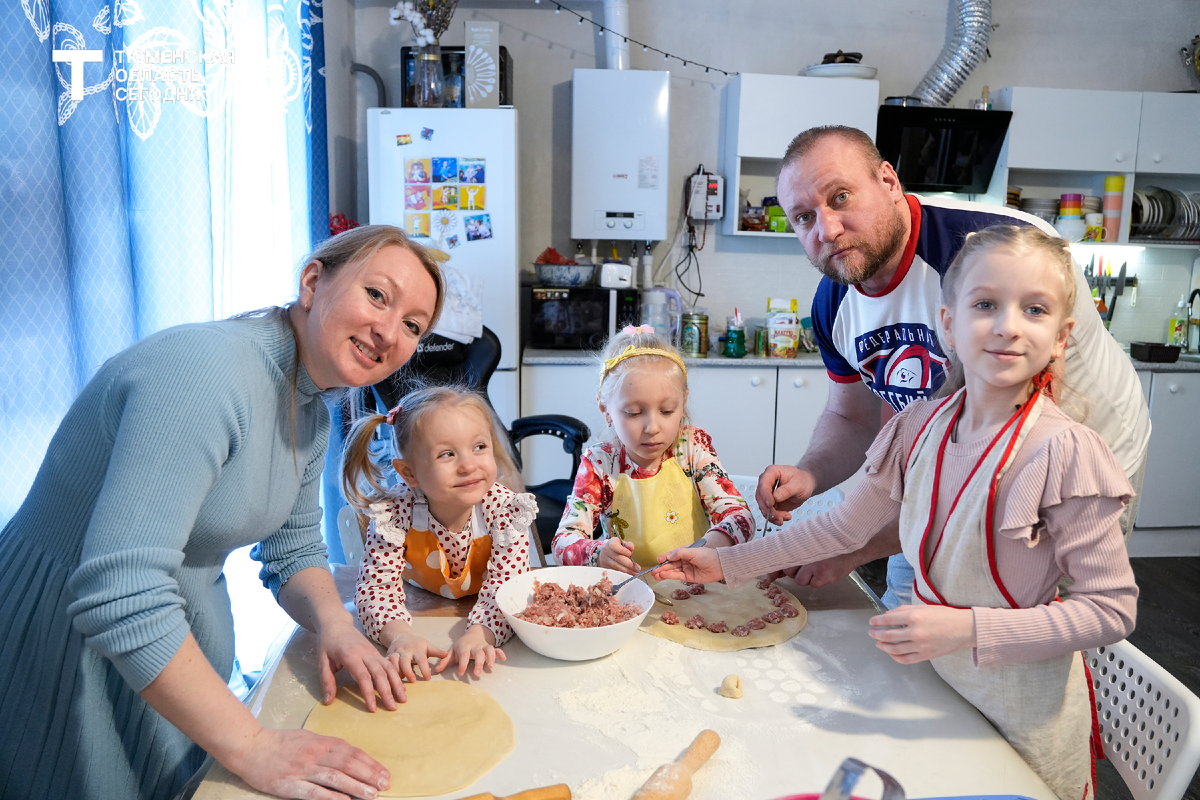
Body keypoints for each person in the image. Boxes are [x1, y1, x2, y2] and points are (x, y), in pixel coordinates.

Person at [657, 225, 1138, 800]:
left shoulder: (1064, 452)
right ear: (949, 325)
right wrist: (728, 564)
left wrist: (965, 629)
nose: (1008, 325)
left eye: (1034, 309)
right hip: (935, 691)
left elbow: (1111, 612)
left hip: (1020, 723)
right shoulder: (921, 427)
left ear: (1061, 338)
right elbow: (843, 526)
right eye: (986, 304)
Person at [0, 225, 443, 800]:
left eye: (413, 326)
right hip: (64, 651)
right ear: (313, 282)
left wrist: (339, 627)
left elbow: (295, 548)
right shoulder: (204, 373)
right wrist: (254, 745)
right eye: (377, 295)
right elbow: (120, 590)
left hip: (170, 661)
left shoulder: (311, 414)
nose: (389, 331)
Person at [756, 125, 1149, 608]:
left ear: (888, 181)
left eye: (841, 197)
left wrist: (853, 548)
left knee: (1022, 629)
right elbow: (852, 418)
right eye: (803, 217)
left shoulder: (1005, 251)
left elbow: (999, 462)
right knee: (913, 608)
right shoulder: (833, 300)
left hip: (1064, 470)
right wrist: (810, 474)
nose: (827, 229)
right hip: (951, 469)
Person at [342, 385, 537, 681]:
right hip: (421, 608)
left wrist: (480, 635)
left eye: (479, 447)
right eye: (447, 454)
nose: (469, 465)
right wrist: (399, 637)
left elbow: (506, 588)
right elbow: (375, 590)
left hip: (481, 609)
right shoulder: (395, 513)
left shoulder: (504, 510)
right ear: (409, 473)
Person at [552, 325, 755, 574]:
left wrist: (714, 544)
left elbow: (741, 517)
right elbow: (562, 544)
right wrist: (598, 554)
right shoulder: (600, 463)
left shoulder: (693, 449)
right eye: (634, 413)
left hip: (696, 587)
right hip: (631, 594)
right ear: (605, 409)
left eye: (667, 411)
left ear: (683, 403)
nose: (653, 427)